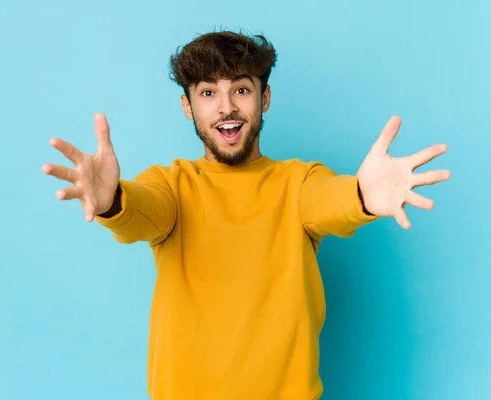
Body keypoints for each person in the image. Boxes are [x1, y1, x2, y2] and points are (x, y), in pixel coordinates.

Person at [42, 31, 450, 400]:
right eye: (207, 94)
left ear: (264, 98)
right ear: (188, 107)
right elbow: (142, 213)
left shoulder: (298, 181)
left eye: (240, 89)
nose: (226, 108)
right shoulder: (171, 184)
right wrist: (112, 200)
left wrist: (363, 195)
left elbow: (331, 201)